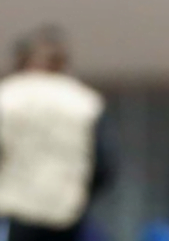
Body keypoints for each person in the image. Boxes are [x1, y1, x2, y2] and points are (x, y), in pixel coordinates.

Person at [0, 26, 113, 241]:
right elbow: (104, 166)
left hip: (16, 214)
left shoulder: (6, 97)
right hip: (67, 216)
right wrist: (80, 195)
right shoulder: (85, 101)